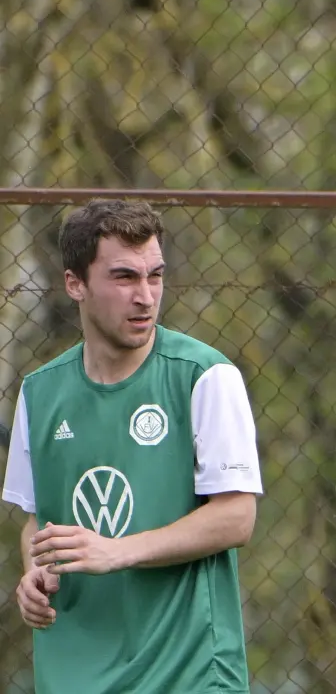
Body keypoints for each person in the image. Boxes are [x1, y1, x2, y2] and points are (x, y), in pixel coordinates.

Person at [1, 199, 264, 694]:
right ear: (75, 283)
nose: (145, 296)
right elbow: (38, 519)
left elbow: (236, 517)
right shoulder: (39, 392)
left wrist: (118, 551)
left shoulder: (206, 376)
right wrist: (34, 571)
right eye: (124, 278)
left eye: (155, 276)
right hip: (72, 674)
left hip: (186, 675)